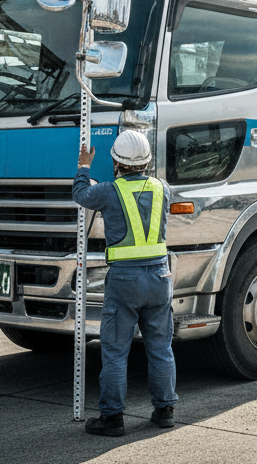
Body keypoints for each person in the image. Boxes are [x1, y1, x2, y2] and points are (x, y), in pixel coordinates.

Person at [72, 130, 178, 436]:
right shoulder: (162, 188)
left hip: (125, 280)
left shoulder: (108, 191)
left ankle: (113, 418)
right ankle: (164, 411)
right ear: (146, 161)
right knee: (160, 348)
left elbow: (80, 195)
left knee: (116, 351)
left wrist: (83, 167)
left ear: (117, 162)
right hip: (160, 277)